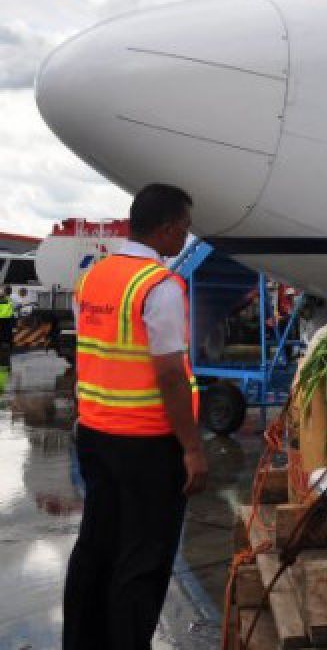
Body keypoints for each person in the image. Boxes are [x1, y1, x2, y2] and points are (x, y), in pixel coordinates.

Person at [63, 183, 207, 650]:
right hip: (147, 444)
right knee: (143, 559)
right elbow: (169, 374)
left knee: (96, 547)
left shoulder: (93, 278)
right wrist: (191, 448)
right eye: (183, 229)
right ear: (166, 229)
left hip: (95, 434)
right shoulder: (159, 287)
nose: (185, 239)